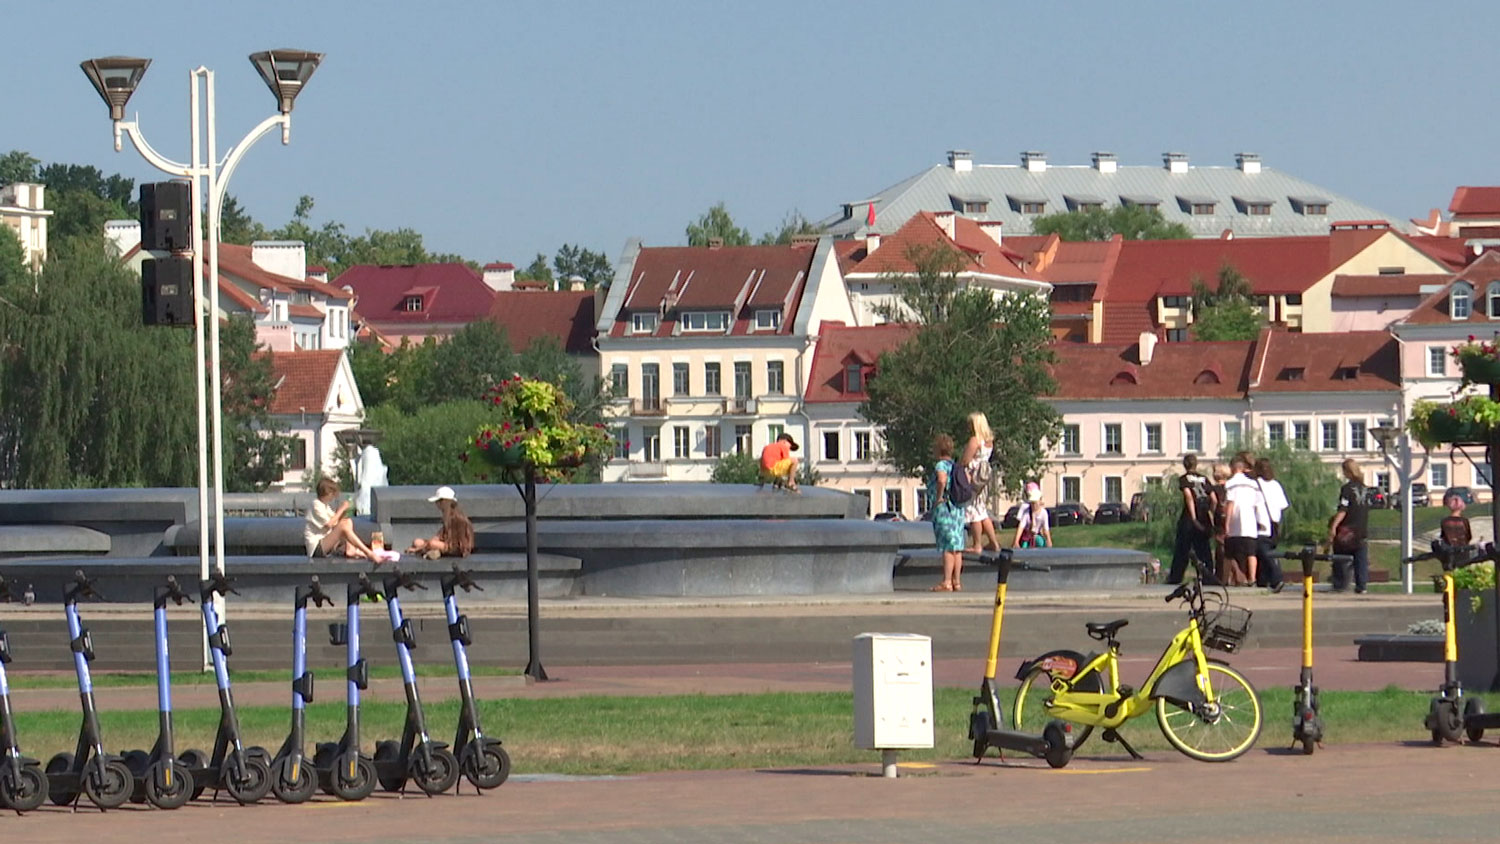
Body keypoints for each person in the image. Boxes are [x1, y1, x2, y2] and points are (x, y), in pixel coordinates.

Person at [1166, 454, 1215, 584]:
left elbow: (1188, 496)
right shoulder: (1204, 479)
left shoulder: (1184, 479)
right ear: (1196, 464)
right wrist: (1210, 512)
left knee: (1182, 548)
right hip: (1204, 516)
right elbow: (1214, 498)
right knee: (1204, 549)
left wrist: (1193, 517)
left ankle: (1175, 577)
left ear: (1184, 465)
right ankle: (1208, 576)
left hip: (1189, 519)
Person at [304, 478, 379, 562]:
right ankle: (369, 553)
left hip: (325, 544)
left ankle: (351, 549)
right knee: (344, 525)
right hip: (315, 548)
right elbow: (329, 524)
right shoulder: (316, 505)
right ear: (328, 493)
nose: (333, 497)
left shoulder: (325, 506)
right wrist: (341, 509)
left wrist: (344, 512)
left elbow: (336, 522)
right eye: (333, 494)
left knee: (347, 522)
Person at [927, 434, 967, 592]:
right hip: (957, 509)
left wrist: (938, 497)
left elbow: (941, 480)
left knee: (947, 546)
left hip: (945, 509)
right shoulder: (956, 465)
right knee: (957, 547)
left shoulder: (941, 465)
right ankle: (956, 582)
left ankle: (946, 581)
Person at [1222, 456, 1267, 586]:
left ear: (1233, 468)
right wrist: (1261, 522)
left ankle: (1225, 579)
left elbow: (1230, 504)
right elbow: (1258, 504)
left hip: (1235, 524)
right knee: (1251, 553)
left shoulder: (1230, 484)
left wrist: (1227, 523)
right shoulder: (1253, 485)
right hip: (1250, 524)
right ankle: (1252, 578)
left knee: (1229, 554)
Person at [1326, 459, 1370, 593]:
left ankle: (1339, 582)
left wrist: (1333, 526)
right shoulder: (1365, 489)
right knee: (1360, 557)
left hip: (1348, 529)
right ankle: (1361, 585)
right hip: (1361, 528)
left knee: (1339, 554)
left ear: (1347, 472)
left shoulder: (1346, 489)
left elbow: (1343, 510)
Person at [961, 412, 1000, 553]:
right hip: (983, 479)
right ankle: (994, 542)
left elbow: (965, 460)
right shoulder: (988, 441)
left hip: (973, 478)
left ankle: (977, 544)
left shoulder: (975, 441)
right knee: (982, 511)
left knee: (974, 512)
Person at [406, 486, 476, 560]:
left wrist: (418, 549)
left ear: (447, 501)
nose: (437, 504)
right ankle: (432, 552)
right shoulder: (446, 516)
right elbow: (439, 535)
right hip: (446, 543)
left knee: (432, 544)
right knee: (418, 542)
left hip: (457, 548)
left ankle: (432, 552)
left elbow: (460, 543)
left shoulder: (459, 518)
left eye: (440, 501)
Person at [1253, 457, 1289, 592]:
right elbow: (1283, 505)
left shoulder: (1256, 484)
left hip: (1261, 523)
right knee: (1267, 551)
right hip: (1274, 523)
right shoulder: (1276, 484)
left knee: (1264, 552)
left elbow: (1254, 505)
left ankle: (1276, 579)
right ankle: (1263, 580)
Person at [1012, 482, 1052, 548]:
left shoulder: (1043, 513)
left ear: (1040, 501)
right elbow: (1021, 527)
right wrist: (1016, 541)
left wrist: (1049, 540)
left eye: (1035, 503)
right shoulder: (1027, 513)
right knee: (1024, 546)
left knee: (1040, 542)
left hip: (1036, 535)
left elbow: (1046, 528)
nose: (1034, 505)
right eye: (1032, 503)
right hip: (1027, 536)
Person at [1210, 463, 1231, 584]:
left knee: (1220, 546)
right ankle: (1228, 576)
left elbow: (1213, 501)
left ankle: (1219, 575)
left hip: (1219, 517)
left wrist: (1212, 512)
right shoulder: (1230, 487)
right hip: (1230, 517)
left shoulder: (1214, 489)